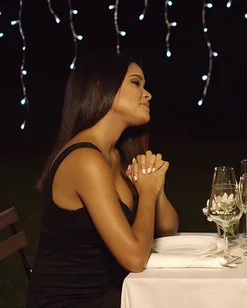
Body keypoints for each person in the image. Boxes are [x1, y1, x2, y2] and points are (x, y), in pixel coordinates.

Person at [26, 52, 179, 308]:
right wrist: (147, 194)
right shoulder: (85, 160)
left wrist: (154, 188)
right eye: (135, 82)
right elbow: (134, 258)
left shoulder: (117, 153)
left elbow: (168, 228)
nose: (147, 93)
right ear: (101, 88)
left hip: (111, 293)